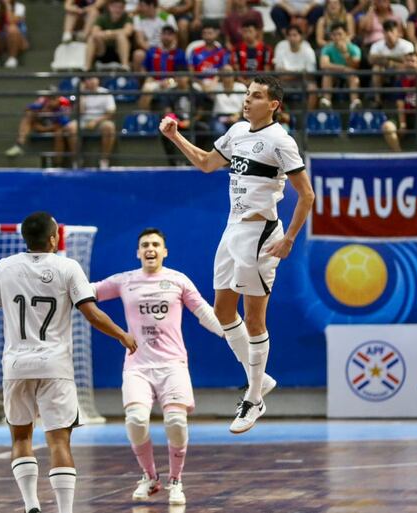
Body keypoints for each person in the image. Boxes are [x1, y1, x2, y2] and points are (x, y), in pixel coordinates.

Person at [159, 75, 315, 433]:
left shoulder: (281, 141)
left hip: (260, 235)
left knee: (255, 318)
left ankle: (254, 397)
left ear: (274, 104)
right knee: (223, 311)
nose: (248, 100)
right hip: (233, 229)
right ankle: (260, 378)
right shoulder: (238, 131)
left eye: (256, 96)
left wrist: (289, 238)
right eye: (247, 94)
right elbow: (206, 163)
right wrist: (174, 136)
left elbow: (306, 195)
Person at [0, 211, 137, 513]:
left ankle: (31, 505)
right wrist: (122, 335)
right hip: (55, 367)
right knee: (59, 442)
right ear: (54, 238)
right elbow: (92, 313)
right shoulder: (68, 267)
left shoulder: (4, 267)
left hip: (16, 366)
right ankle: (65, 510)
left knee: (20, 438)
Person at [92, 227, 224, 505]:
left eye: (155, 244)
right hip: (137, 366)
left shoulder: (178, 280)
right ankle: (150, 478)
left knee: (176, 421)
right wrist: (56, 286)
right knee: (136, 420)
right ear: (137, 252)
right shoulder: (124, 281)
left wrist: (231, 333)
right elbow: (87, 293)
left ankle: (175, 481)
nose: (150, 249)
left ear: (165, 251)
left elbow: (204, 312)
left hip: (172, 365)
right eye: (144, 245)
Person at [60, 76, 116, 169]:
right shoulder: (81, 93)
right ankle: (77, 160)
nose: (92, 81)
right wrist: (81, 94)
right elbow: (80, 112)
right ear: (84, 82)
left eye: (94, 78)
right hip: (83, 120)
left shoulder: (105, 93)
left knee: (109, 127)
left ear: (98, 80)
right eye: (89, 79)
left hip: (100, 120)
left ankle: (104, 160)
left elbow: (111, 112)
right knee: (71, 128)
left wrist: (95, 121)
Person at [381, 52, 417, 151]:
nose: (410, 64)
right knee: (387, 127)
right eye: (407, 61)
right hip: (404, 114)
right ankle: (399, 155)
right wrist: (402, 123)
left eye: (413, 61)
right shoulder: (400, 80)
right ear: (403, 63)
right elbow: (400, 103)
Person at [4, 94, 72, 158]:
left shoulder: (63, 106)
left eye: (54, 98)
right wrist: (40, 112)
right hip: (39, 126)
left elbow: (61, 125)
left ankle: (58, 164)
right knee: (28, 117)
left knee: (59, 132)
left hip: (54, 128)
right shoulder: (42, 103)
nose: (52, 101)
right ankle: (19, 145)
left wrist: (42, 128)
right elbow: (27, 110)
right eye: (50, 98)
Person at [319, 22, 363, 110]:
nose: (337, 37)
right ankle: (326, 102)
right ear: (331, 36)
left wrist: (345, 53)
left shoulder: (354, 48)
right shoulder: (327, 48)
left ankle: (354, 102)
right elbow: (324, 64)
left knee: (353, 74)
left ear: (346, 35)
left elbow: (356, 65)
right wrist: (343, 68)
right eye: (334, 35)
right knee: (327, 73)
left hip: (349, 74)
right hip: (335, 73)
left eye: (340, 34)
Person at [85, 0, 133, 71]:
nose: (118, 10)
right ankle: (86, 68)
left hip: (118, 52)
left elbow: (128, 31)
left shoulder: (127, 18)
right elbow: (95, 32)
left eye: (121, 7)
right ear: (109, 7)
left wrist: (109, 33)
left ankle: (125, 66)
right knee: (92, 38)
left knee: (122, 37)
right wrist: (112, 34)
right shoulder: (102, 18)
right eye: (115, 7)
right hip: (102, 51)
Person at [0, 0, 28, 68]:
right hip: (0, 40)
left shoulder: (20, 7)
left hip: (17, 41)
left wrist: (7, 6)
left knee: (12, 29)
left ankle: (12, 58)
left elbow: (11, 22)